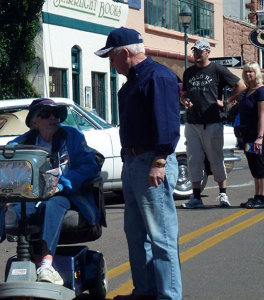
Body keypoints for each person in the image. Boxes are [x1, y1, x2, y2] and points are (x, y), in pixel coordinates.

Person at [95, 27, 182, 300]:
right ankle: (145, 291)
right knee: (136, 235)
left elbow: (167, 125)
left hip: (151, 162)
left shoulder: (158, 77)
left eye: (111, 56)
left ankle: (169, 296)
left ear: (124, 53)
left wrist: (159, 161)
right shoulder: (133, 81)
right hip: (133, 162)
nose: (110, 62)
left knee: (161, 237)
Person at [1, 98, 100, 285]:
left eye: (56, 114)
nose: (53, 118)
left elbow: (89, 165)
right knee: (21, 208)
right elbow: (6, 159)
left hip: (66, 193)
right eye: (45, 114)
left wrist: (63, 184)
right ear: (34, 122)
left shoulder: (72, 136)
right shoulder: (23, 142)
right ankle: (33, 259)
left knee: (52, 204)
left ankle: (46, 264)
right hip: (33, 195)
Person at [180, 40, 246, 209]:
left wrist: (227, 101)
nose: (196, 54)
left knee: (215, 158)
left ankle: (223, 194)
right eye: (195, 51)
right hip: (193, 122)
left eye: (200, 51)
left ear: (208, 52)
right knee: (193, 159)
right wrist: (184, 100)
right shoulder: (189, 72)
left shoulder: (217, 70)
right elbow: (184, 93)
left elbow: (240, 85)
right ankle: (196, 197)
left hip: (213, 122)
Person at [237, 62, 264, 208]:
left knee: (261, 166)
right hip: (248, 134)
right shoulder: (247, 91)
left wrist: (260, 137)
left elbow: (262, 117)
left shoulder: (261, 91)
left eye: (251, 71)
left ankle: (263, 199)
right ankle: (256, 197)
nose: (248, 74)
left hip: (258, 135)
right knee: (254, 167)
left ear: (256, 73)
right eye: (246, 72)